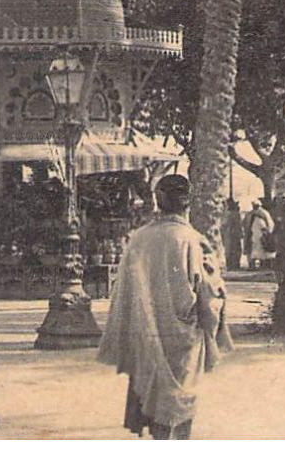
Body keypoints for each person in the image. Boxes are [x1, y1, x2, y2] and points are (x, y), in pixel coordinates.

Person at [98, 174, 233, 439]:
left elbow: (122, 292)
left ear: (159, 201)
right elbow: (209, 291)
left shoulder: (138, 239)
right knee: (180, 406)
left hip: (144, 333)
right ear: (187, 203)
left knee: (153, 403)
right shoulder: (192, 240)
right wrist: (212, 324)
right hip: (180, 336)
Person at [246, 200, 274, 268]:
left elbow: (270, 223)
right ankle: (253, 265)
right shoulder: (251, 213)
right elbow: (247, 223)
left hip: (262, 234)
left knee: (262, 249)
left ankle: (264, 265)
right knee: (254, 249)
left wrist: (268, 232)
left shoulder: (264, 213)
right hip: (254, 234)